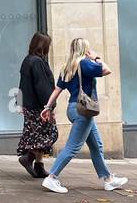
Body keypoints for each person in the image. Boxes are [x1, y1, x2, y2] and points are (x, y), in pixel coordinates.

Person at [38, 37, 127, 194]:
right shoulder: (85, 64)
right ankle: (51, 178)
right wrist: (96, 58)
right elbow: (107, 69)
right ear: (84, 50)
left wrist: (47, 107)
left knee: (96, 145)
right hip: (83, 111)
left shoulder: (67, 67)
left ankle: (108, 179)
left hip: (73, 109)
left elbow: (57, 90)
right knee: (72, 147)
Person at [16, 32, 57, 178]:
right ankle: (28, 158)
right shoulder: (38, 62)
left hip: (28, 105)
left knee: (36, 135)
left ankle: (39, 166)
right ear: (43, 46)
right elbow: (42, 86)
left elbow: (22, 84)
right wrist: (49, 106)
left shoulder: (27, 60)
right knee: (49, 134)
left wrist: (19, 103)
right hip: (38, 106)